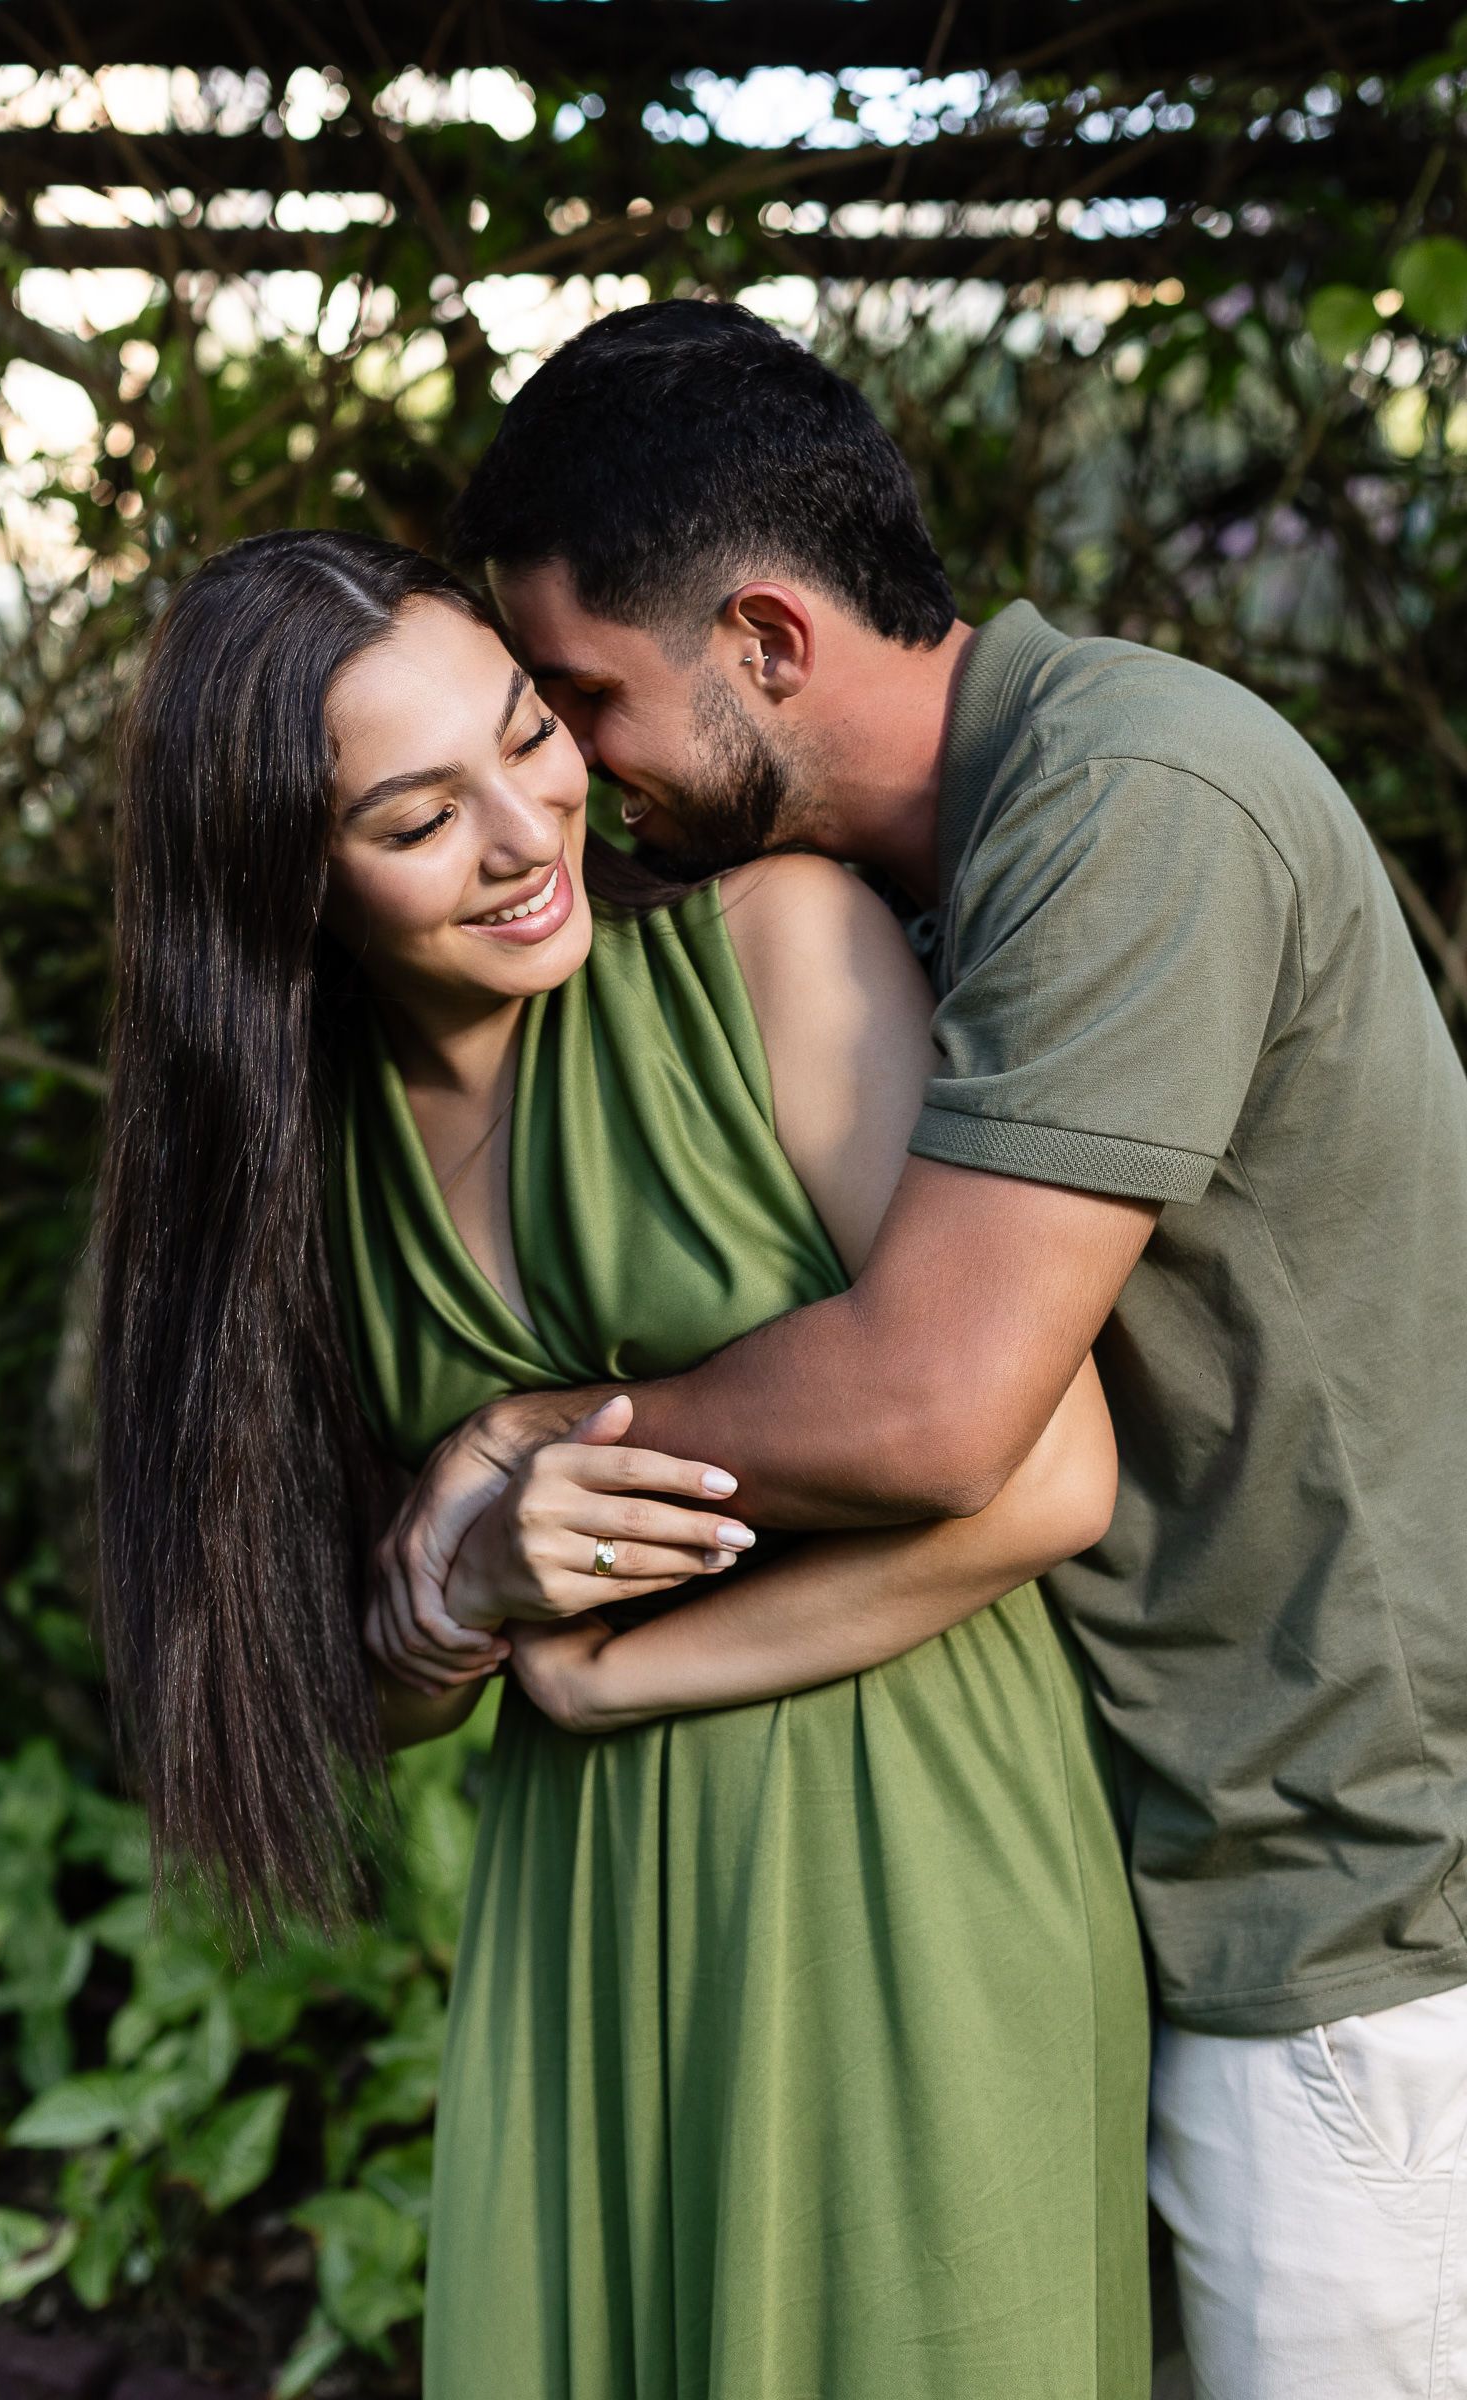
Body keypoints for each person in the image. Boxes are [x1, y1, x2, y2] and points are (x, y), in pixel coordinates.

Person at [377, 300, 1467, 2400]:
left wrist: (533, 1455)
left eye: (581, 700)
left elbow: (938, 1403)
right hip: (1173, 1880)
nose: (570, 779)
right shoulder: (923, 876)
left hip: (1348, 1925)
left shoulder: (1133, 800)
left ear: (765, 642)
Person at [95, 530, 1151, 2399]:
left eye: (531, 735)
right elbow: (337, 1681)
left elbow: (1052, 1476)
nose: (526, 834)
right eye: (420, 817)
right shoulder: (290, 1164)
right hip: (579, 1911)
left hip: (909, 1847)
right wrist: (463, 1603)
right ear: (286, 882)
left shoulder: (772, 952)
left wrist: (606, 1666)